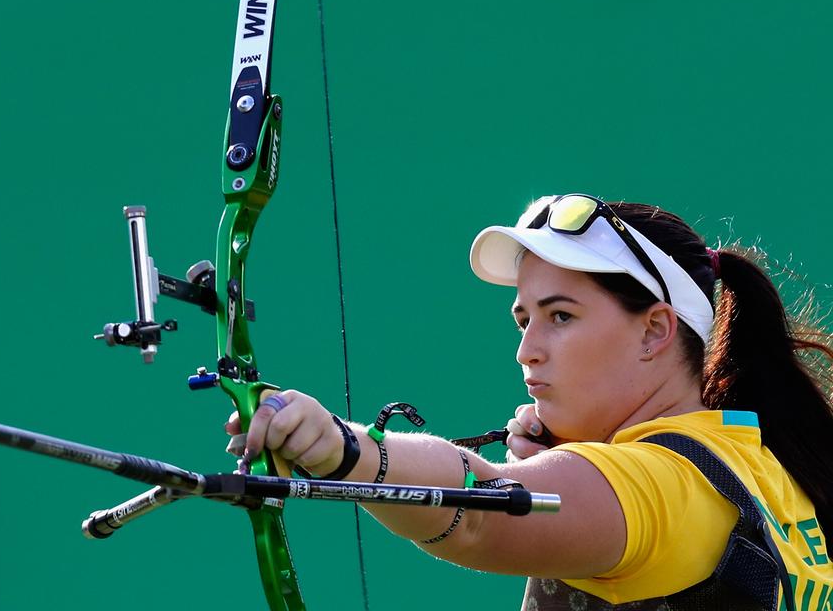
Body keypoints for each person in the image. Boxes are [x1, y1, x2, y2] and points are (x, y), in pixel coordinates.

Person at [230, 194, 833, 610]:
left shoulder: (664, 483)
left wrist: (345, 451)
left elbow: (478, 515)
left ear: (655, 330)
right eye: (523, 319)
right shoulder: (754, 463)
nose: (527, 351)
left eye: (561, 317)